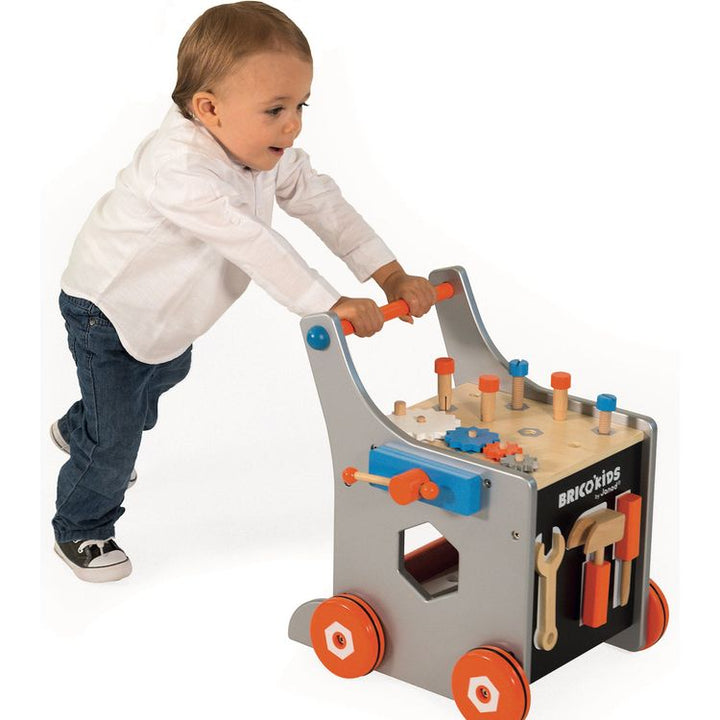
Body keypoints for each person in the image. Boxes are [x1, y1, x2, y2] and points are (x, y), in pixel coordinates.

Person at [51, 1, 436, 582]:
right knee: (115, 442)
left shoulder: (258, 148)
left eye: (301, 105)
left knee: (162, 376)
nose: (293, 125)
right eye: (276, 109)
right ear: (209, 109)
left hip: (169, 316)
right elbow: (253, 244)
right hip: (106, 308)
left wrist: (388, 274)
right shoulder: (178, 169)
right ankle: (82, 525)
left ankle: (85, 426)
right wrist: (329, 304)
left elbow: (323, 202)